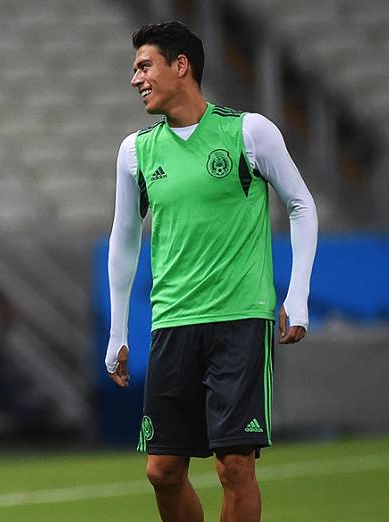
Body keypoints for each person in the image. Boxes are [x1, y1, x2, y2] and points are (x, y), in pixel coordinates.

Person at [106, 22, 318, 522]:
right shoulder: (135, 152)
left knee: (235, 467)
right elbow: (124, 238)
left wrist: (299, 293)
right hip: (171, 324)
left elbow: (301, 204)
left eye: (144, 66)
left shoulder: (249, 132)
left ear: (181, 66)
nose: (135, 79)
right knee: (162, 471)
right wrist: (118, 330)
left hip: (239, 321)